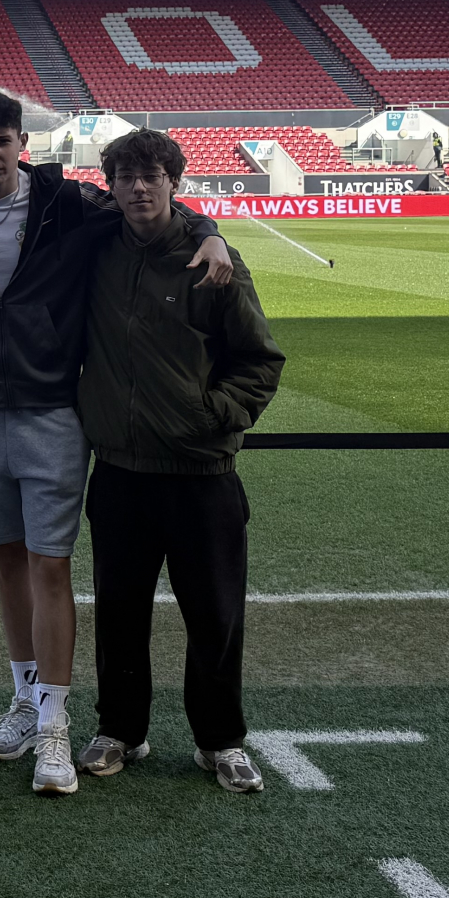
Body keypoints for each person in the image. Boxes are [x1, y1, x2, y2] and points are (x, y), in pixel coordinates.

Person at [0, 90, 231, 797]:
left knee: (49, 567)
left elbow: (147, 208)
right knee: (9, 564)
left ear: (22, 143)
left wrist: (208, 227)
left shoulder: (69, 203)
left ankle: (56, 726)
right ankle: (23, 702)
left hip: (51, 414)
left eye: (4, 140)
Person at [77, 128, 284, 793]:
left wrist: (215, 416)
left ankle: (219, 740)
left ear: (174, 183)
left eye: (153, 176)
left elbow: (259, 361)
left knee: (215, 615)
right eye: (126, 177)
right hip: (119, 471)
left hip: (202, 476)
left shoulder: (214, 260)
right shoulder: (97, 249)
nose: (139, 188)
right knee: (119, 612)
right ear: (111, 185)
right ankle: (120, 732)